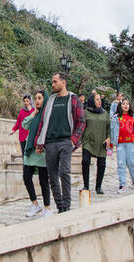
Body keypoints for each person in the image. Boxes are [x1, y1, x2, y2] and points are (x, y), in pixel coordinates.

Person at [34, 72, 86, 213]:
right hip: (50, 143)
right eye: (52, 82)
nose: (52, 84)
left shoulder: (73, 99)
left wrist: (73, 140)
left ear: (63, 83)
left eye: (55, 81)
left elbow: (81, 122)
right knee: (52, 176)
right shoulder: (50, 100)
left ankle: (67, 204)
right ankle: (60, 207)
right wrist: (39, 142)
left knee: (64, 172)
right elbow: (43, 122)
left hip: (65, 141)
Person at [21, 91, 52, 217]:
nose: (37, 101)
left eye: (40, 98)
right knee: (26, 177)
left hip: (42, 151)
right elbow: (24, 124)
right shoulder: (35, 114)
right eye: (36, 98)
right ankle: (34, 204)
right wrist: (33, 113)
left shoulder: (48, 115)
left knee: (43, 180)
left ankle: (47, 207)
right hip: (31, 151)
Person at [81, 93, 110, 194]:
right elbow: (81, 126)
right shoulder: (85, 113)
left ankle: (98, 186)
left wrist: (108, 138)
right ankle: (86, 185)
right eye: (97, 100)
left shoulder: (105, 114)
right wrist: (82, 139)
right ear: (92, 101)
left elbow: (108, 127)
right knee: (85, 161)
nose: (99, 101)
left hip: (101, 142)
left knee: (101, 164)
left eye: (99, 99)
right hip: (88, 141)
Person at [110, 98, 134, 192]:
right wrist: (112, 143)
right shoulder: (116, 117)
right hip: (120, 143)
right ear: (120, 106)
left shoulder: (133, 117)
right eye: (123, 104)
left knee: (131, 162)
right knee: (121, 163)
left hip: (130, 142)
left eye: (127, 104)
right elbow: (112, 130)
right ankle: (122, 184)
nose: (125, 105)